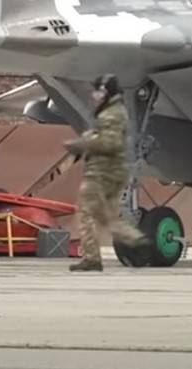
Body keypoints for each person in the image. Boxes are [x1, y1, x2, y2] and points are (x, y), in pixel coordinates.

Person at [64, 74, 149, 272]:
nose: (94, 95)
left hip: (101, 173)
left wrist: (80, 144)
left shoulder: (111, 114)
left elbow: (109, 143)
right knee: (106, 217)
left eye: (97, 91)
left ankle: (93, 258)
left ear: (104, 91)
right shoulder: (113, 112)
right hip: (112, 172)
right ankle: (136, 239)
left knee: (86, 214)